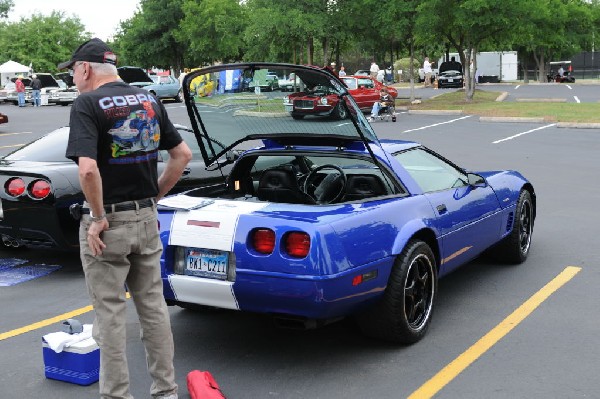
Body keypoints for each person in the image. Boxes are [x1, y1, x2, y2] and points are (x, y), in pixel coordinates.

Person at [59, 38, 192, 399]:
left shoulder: (86, 103)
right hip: (146, 219)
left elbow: (87, 170)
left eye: (72, 71)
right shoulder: (148, 98)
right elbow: (181, 154)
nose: (73, 79)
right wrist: (155, 197)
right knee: (153, 310)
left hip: (108, 225)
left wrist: (99, 217)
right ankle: (166, 392)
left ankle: (116, 395)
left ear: (85, 68)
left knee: (110, 316)